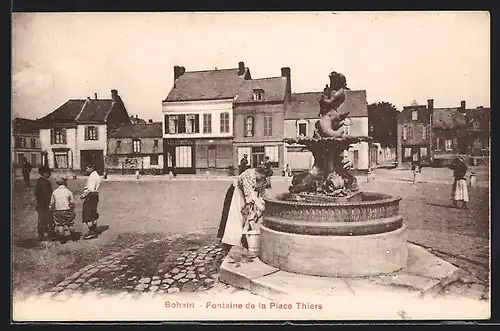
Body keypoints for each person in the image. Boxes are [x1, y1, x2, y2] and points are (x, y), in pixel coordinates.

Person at [217, 165, 270, 253]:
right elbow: (248, 194)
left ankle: (246, 236)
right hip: (237, 192)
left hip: (249, 195)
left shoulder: (262, 179)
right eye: (261, 177)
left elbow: (260, 193)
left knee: (250, 215)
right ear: (256, 172)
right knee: (235, 215)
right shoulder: (248, 175)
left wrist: (260, 205)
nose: (263, 179)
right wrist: (251, 205)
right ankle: (231, 240)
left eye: (264, 178)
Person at [50, 176, 76, 243]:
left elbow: (52, 202)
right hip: (67, 209)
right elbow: (72, 202)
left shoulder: (54, 192)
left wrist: (51, 208)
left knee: (60, 224)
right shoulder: (68, 191)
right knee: (70, 224)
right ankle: (73, 236)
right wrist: (72, 208)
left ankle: (62, 238)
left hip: (58, 210)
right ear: (65, 183)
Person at [81, 163, 102, 239]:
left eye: (87, 168)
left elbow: (91, 189)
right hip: (95, 196)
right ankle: (95, 229)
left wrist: (84, 195)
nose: (86, 170)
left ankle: (92, 231)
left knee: (87, 214)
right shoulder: (97, 175)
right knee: (93, 213)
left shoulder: (92, 177)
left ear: (91, 168)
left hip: (90, 196)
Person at [35, 166, 53, 241]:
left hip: (40, 203)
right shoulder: (45, 182)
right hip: (45, 203)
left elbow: (36, 193)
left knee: (41, 219)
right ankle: (48, 234)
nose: (50, 174)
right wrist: (49, 203)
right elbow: (46, 194)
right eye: (49, 173)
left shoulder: (39, 181)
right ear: (44, 173)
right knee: (48, 219)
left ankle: (41, 234)